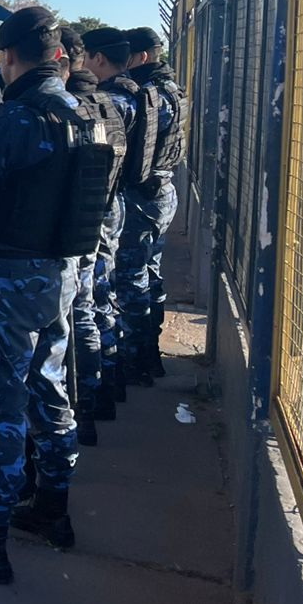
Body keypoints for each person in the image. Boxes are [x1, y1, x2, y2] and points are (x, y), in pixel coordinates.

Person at [0, 6, 114, 583]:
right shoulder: (86, 116)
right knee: (48, 389)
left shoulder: (14, 120)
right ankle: (52, 508)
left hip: (6, 277)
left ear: (8, 57)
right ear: (58, 57)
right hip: (61, 275)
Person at [56, 28, 126, 449]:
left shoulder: (70, 108)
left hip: (75, 227)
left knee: (76, 314)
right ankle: (100, 395)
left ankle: (79, 408)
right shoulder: (110, 105)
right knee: (97, 304)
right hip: (104, 214)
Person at [83, 26, 145, 412]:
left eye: (87, 57)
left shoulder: (109, 102)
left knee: (97, 295)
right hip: (119, 198)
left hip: (104, 203)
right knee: (108, 290)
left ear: (99, 58)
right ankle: (113, 375)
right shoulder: (136, 94)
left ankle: (103, 385)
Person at [119, 26, 184, 383]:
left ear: (141, 56)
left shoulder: (148, 95)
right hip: (162, 190)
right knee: (150, 273)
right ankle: (150, 354)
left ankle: (136, 358)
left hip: (142, 194)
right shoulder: (172, 90)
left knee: (131, 277)